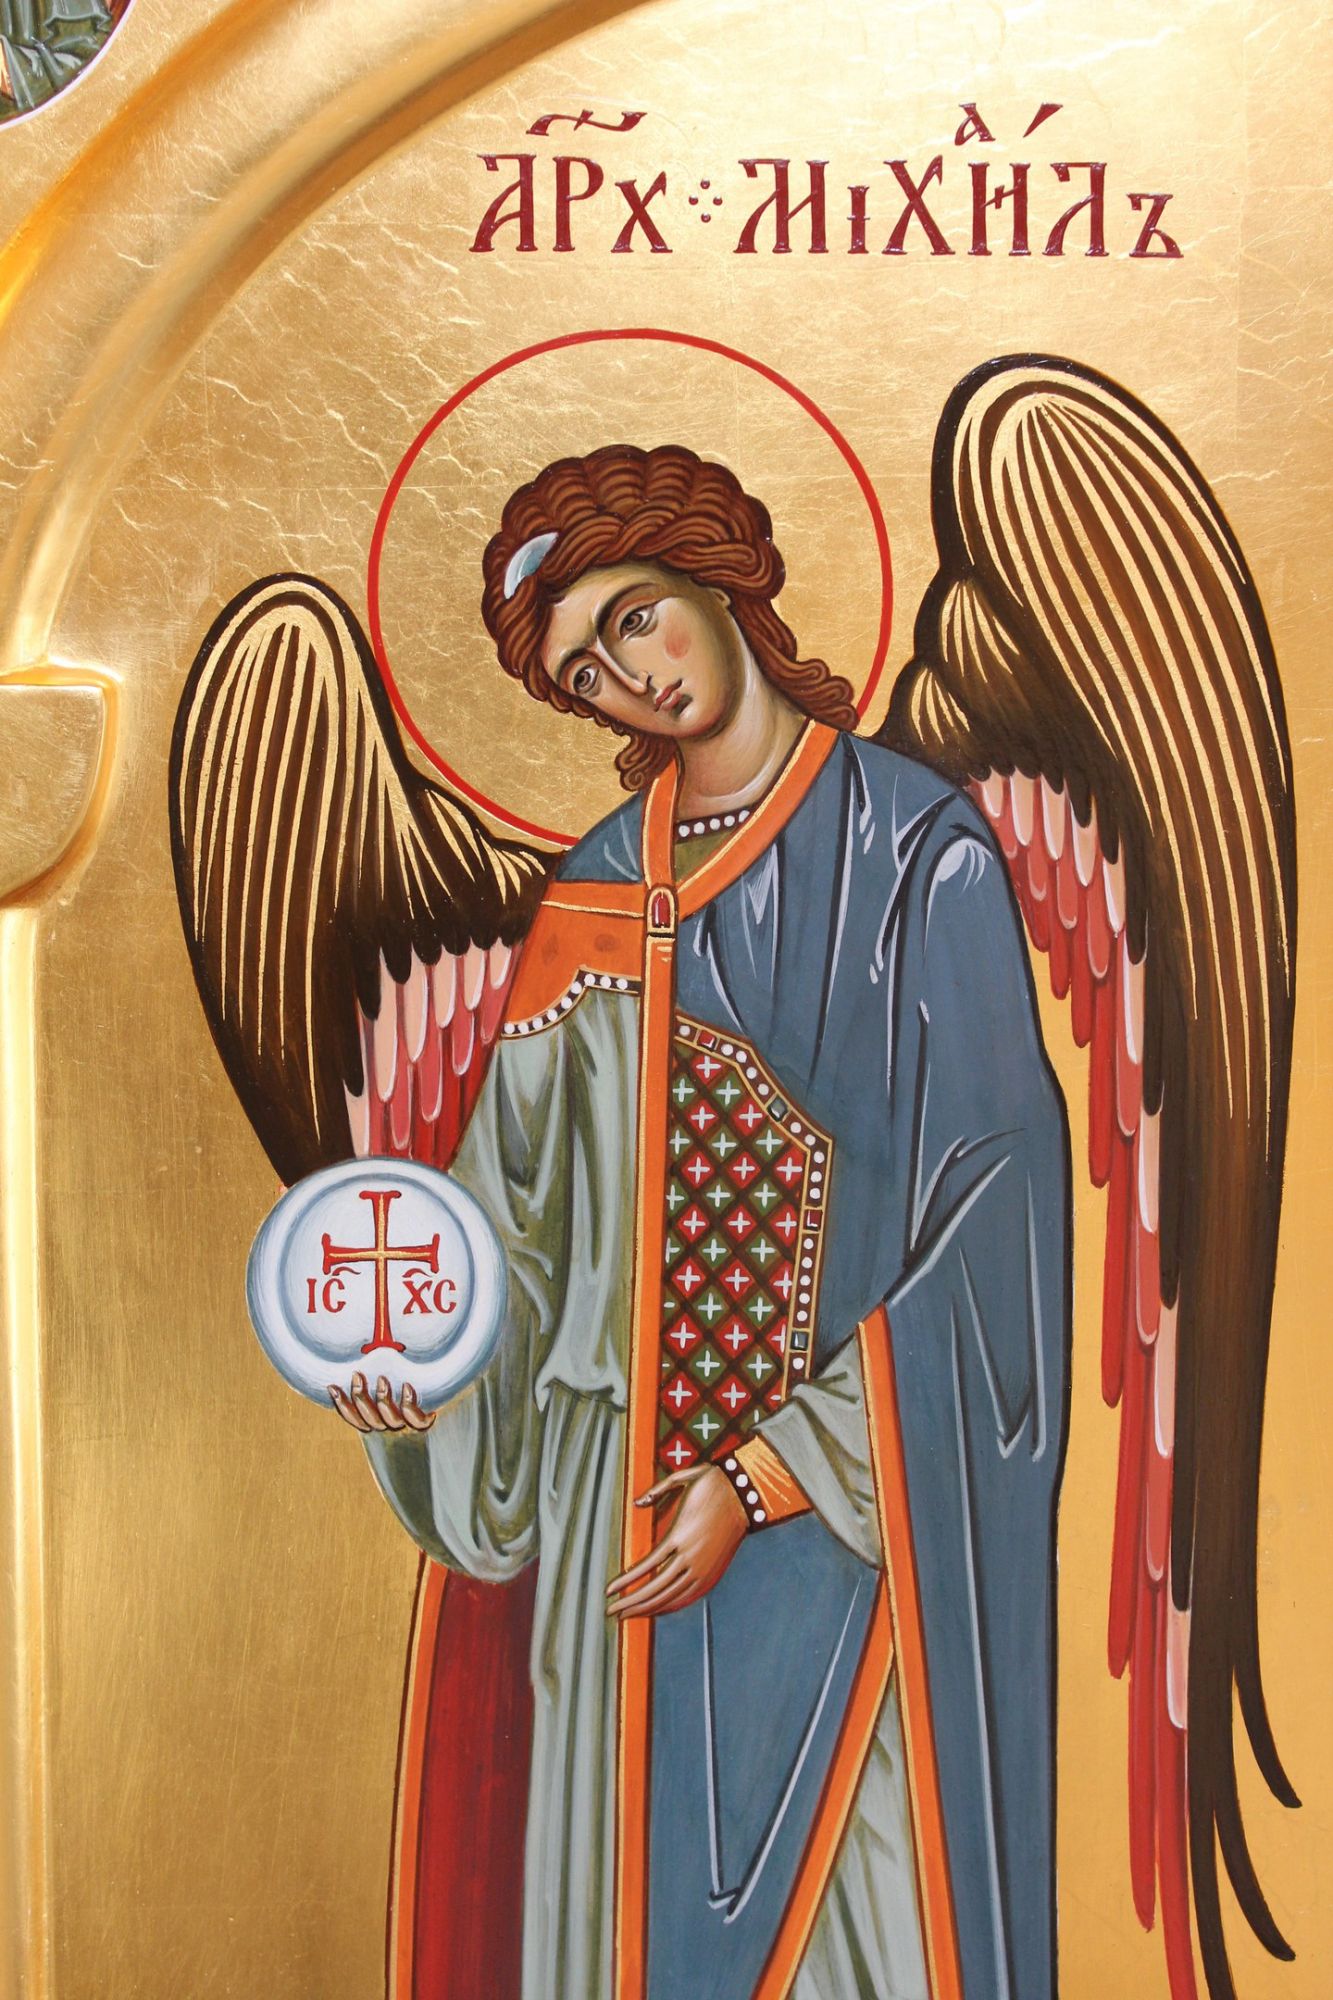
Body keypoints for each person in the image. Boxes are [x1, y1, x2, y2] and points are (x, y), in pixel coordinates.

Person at [332, 444, 1071, 2000]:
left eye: (635, 617)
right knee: (616, 1914)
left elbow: (997, 1232)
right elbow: (511, 1235)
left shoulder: (913, 855)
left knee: (858, 1933)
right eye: (584, 672)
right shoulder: (596, 895)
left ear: (717, 579)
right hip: (615, 1528)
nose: (630, 677)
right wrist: (426, 1379)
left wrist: (763, 1475)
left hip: (853, 1525)